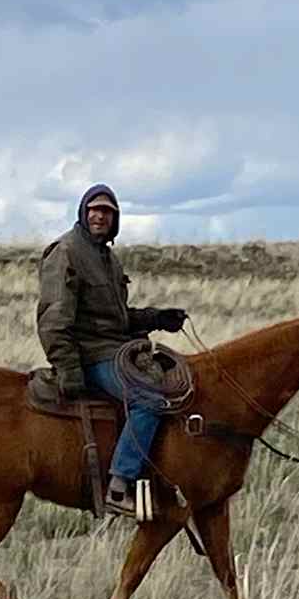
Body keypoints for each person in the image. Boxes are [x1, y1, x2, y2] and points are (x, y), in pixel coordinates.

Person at [37, 185, 188, 515]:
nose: (98, 215)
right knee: (150, 398)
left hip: (113, 349)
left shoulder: (107, 258)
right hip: (91, 356)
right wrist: (69, 370)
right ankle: (120, 486)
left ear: (115, 219)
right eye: (93, 209)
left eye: (106, 211)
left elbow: (116, 318)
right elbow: (53, 321)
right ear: (82, 212)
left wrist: (156, 318)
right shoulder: (67, 252)